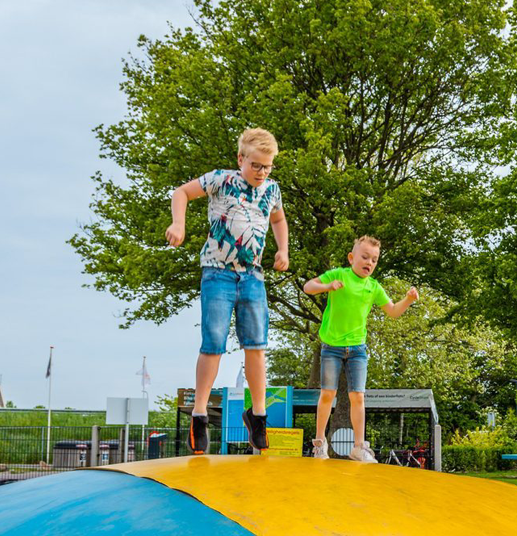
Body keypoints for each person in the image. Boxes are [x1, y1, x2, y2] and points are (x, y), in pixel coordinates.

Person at [166, 128, 289, 454]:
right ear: (240, 159)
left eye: (267, 167)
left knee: (256, 346)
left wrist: (283, 249)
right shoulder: (221, 179)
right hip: (217, 273)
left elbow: (278, 220)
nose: (261, 172)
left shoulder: (272, 190)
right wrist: (179, 223)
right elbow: (181, 193)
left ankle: (258, 415)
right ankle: (199, 414)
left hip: (252, 276)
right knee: (214, 344)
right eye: (255, 165)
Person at [303, 236, 418, 462]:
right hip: (332, 347)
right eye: (365, 257)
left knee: (358, 396)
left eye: (374, 260)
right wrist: (327, 286)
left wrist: (408, 300)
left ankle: (358, 447)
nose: (369, 263)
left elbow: (393, 311)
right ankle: (320, 443)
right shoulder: (339, 275)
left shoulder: (373, 287)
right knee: (328, 394)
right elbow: (308, 287)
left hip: (357, 350)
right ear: (351, 258)